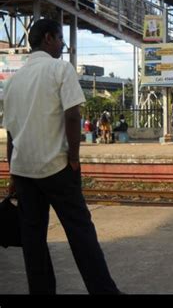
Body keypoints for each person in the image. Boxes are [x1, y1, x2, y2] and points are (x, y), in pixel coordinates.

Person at [3, 19, 120, 294]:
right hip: (57, 167)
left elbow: (11, 132)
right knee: (81, 233)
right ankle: (104, 291)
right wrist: (75, 158)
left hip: (23, 171)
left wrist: (12, 171)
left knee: (33, 239)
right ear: (48, 38)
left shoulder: (13, 82)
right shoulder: (60, 69)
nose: (62, 46)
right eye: (60, 40)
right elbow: (72, 115)